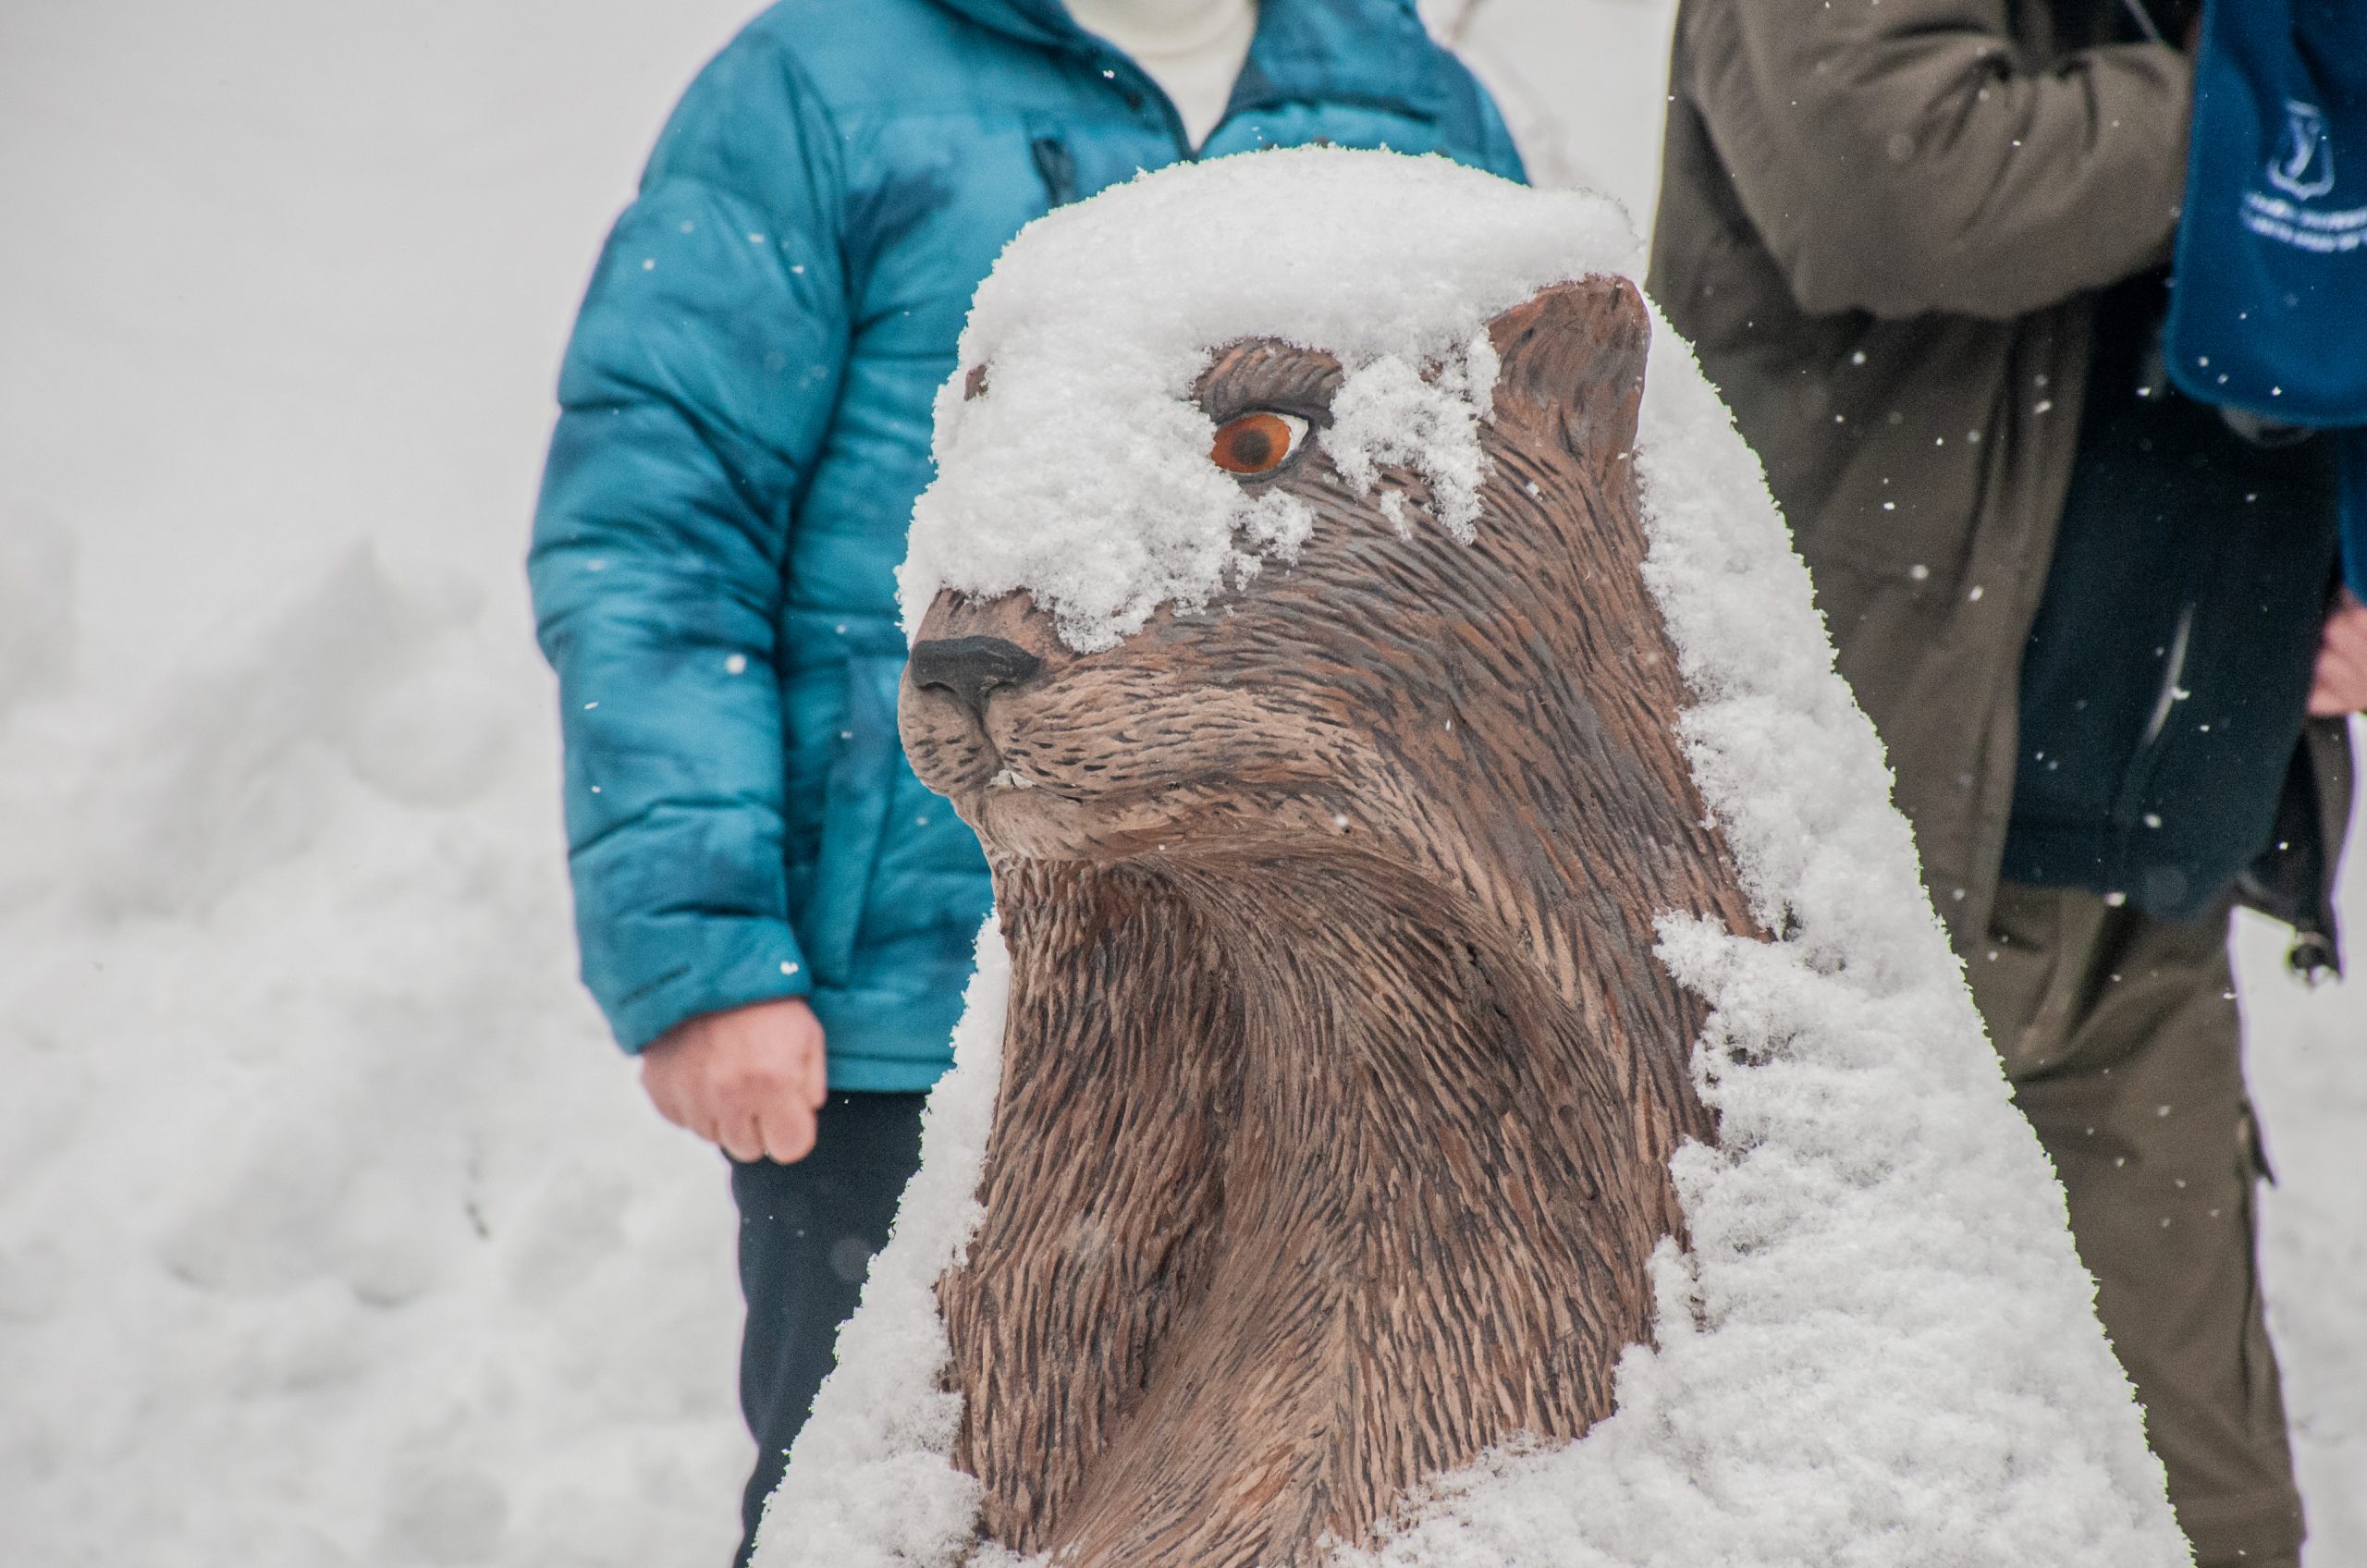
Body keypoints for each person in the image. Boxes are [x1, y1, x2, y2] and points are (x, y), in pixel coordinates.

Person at [527, 2, 1523, 1559]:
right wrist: (702, 956)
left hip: (1327, 1036)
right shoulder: (822, 85)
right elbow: (657, 531)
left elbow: (1507, 557)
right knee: (901, 1525)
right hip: (918, 1030)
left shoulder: (1406, 90)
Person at [1650, 1, 2367, 1563]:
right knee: (1790, 1497)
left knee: (2196, 1520)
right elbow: (1895, 176)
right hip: (1825, 875)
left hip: (2146, 881)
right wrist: (2277, 109)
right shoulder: (2265, 66)